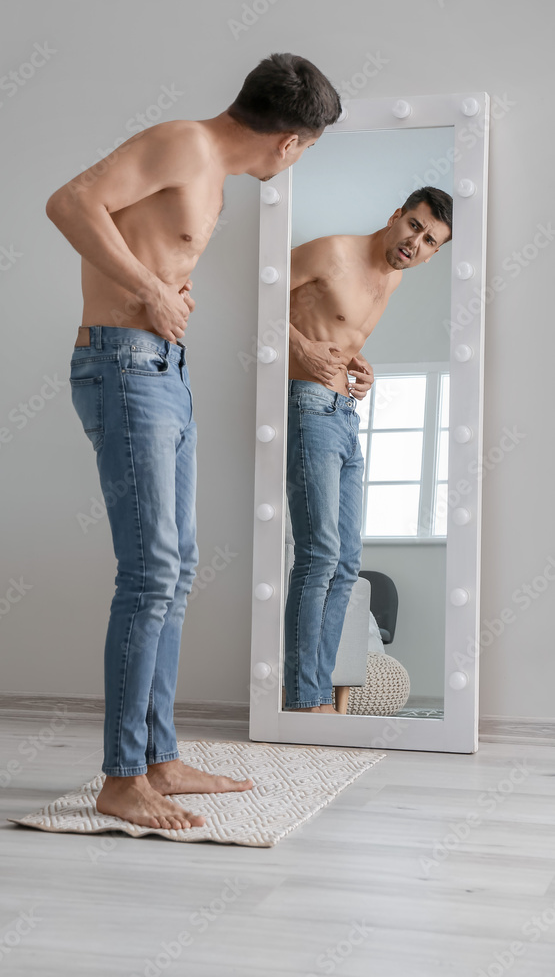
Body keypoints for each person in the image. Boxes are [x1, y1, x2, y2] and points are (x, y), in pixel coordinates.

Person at [45, 54, 341, 829]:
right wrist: (149, 288)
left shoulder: (209, 173)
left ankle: (159, 759)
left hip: (161, 368)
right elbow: (69, 202)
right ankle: (120, 778)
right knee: (150, 572)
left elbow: (141, 241)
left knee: (174, 572)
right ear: (289, 142)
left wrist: (163, 286)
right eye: (306, 149)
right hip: (122, 365)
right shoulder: (182, 142)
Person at [283, 186, 452, 713]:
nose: (415, 243)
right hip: (308, 405)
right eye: (415, 226)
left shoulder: (393, 277)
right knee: (319, 555)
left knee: (347, 561)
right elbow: (257, 299)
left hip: (344, 415)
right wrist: (303, 347)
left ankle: (320, 696)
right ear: (396, 215)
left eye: (430, 241)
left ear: (434, 253)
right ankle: (304, 700)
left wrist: (361, 364)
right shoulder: (331, 251)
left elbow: (342, 329)